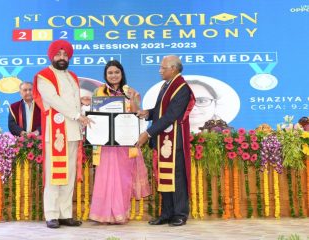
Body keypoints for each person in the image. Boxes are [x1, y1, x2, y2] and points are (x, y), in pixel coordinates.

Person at [33, 40, 92, 229]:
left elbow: (69, 100)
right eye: (58, 55)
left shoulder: (72, 76)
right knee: (54, 174)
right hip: (56, 131)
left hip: (73, 131)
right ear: (51, 56)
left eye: (65, 55)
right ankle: (51, 214)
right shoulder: (44, 76)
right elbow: (53, 100)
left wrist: (80, 103)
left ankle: (65, 214)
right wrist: (77, 114)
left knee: (69, 174)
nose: (62, 58)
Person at [89, 60, 151, 224]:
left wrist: (133, 101)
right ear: (105, 75)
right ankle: (102, 214)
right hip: (105, 144)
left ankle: (119, 214)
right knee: (105, 179)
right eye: (110, 73)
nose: (114, 75)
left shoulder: (131, 92)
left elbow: (138, 114)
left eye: (117, 72)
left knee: (123, 180)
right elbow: (93, 116)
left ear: (122, 74)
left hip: (124, 143)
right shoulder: (98, 93)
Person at [136, 55, 195, 227]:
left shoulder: (182, 88)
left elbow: (171, 116)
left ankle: (180, 213)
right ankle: (167, 213)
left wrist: (147, 133)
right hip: (164, 139)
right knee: (164, 177)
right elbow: (161, 111)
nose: (160, 70)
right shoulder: (167, 85)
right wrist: (148, 113)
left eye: (163, 68)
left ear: (174, 68)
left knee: (176, 177)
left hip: (174, 140)